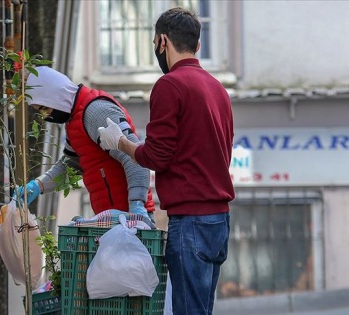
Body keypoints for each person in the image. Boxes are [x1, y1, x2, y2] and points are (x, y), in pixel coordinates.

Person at [97, 7, 235, 315]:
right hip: (219, 221)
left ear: (162, 42)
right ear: (198, 46)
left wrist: (120, 142)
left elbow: (157, 155)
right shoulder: (218, 89)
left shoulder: (170, 85)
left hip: (191, 222)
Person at [13, 66, 157, 219]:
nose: (45, 115)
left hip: (130, 219)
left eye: (44, 108)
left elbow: (134, 157)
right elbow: (71, 165)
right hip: (115, 219)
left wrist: (137, 205)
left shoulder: (96, 111)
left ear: (54, 95)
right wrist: (38, 185)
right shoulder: (75, 119)